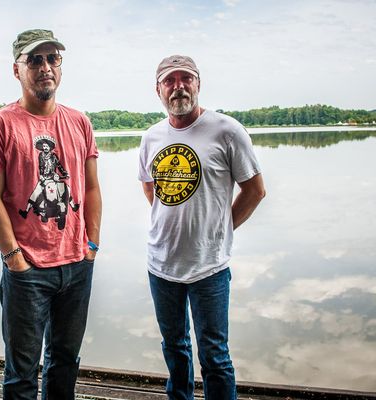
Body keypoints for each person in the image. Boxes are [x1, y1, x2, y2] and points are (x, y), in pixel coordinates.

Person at [0, 29, 102, 399]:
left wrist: (92, 244)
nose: (45, 67)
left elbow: (91, 189)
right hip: (27, 270)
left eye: (52, 59)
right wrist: (13, 258)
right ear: (17, 70)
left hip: (77, 264)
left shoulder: (79, 122)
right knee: (22, 371)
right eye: (35, 60)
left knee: (65, 359)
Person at [138, 54, 266, 400]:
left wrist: (222, 229)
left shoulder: (227, 130)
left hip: (209, 268)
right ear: (158, 90)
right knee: (175, 349)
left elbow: (255, 191)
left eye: (185, 78)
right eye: (169, 80)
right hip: (161, 266)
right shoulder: (151, 137)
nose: (178, 86)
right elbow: (151, 188)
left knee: (215, 356)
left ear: (197, 84)